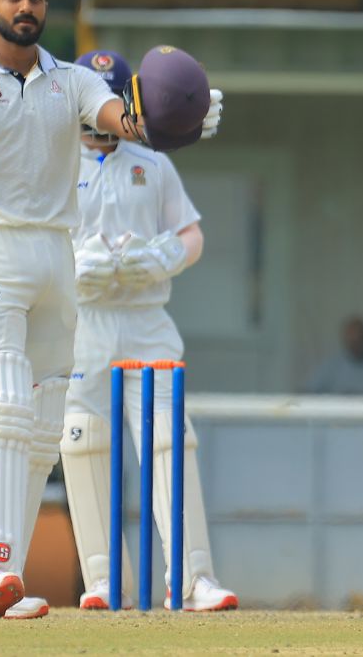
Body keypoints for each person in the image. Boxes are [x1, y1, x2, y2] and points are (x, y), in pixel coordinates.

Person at [0, 0, 222, 619]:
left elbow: (125, 122)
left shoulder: (72, 82)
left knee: (46, 424)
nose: (27, 8)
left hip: (57, 254)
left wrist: (176, 119)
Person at [60, 49, 237, 612]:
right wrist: (71, 265)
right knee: (83, 443)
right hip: (82, 323)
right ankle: (103, 579)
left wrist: (165, 256)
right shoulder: (55, 161)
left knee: (169, 439)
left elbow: (191, 234)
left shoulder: (152, 162)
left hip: (146, 321)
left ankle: (192, 579)